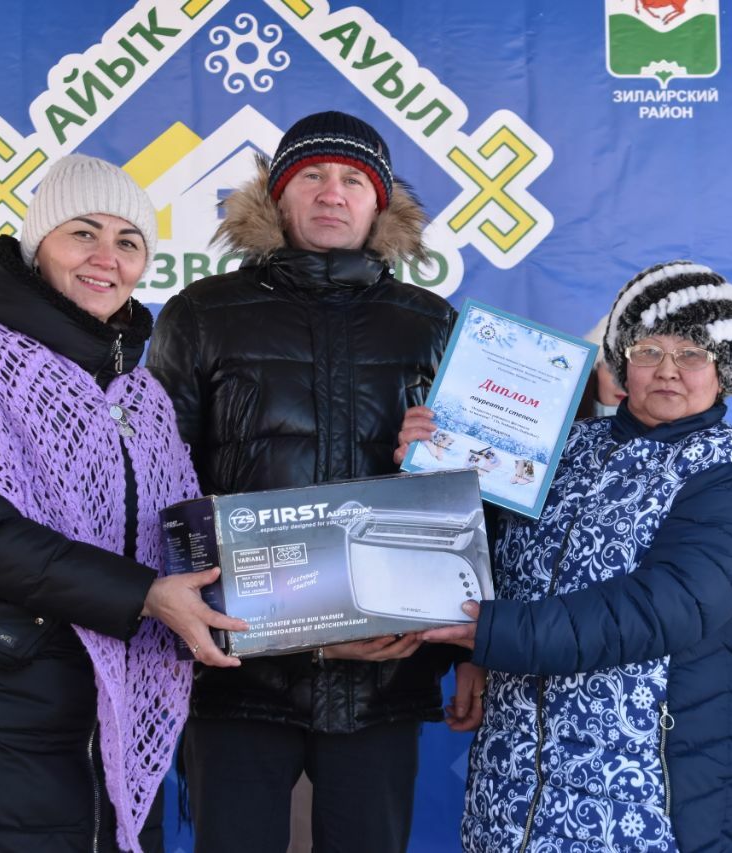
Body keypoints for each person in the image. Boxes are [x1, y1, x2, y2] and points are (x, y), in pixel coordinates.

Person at [0, 154, 247, 853]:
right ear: (36, 245)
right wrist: (147, 596)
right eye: (83, 232)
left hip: (106, 722)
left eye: (129, 242)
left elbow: (179, 541)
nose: (107, 258)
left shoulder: (141, 394)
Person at [148, 110, 480, 853]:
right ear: (277, 196)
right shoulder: (201, 314)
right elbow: (160, 489)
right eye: (313, 177)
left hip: (384, 676)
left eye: (354, 180)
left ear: (380, 204)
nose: (333, 193)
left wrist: (471, 649)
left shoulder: (432, 324)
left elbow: (478, 504)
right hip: (238, 673)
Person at [398, 261, 732, 852]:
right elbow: (491, 559)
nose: (668, 370)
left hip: (646, 791)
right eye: (649, 350)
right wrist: (432, 460)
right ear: (623, 360)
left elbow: (662, 608)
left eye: (693, 353)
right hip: (511, 788)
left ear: (724, 371)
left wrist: (490, 633)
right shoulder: (564, 447)